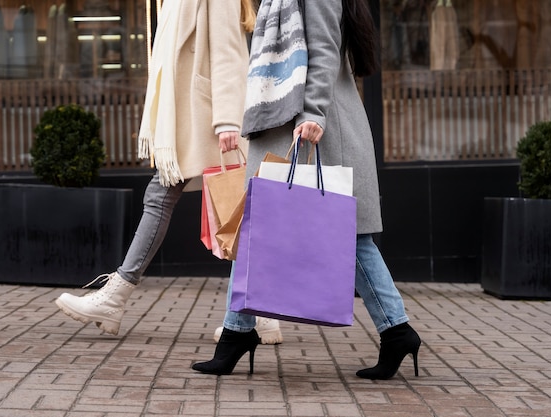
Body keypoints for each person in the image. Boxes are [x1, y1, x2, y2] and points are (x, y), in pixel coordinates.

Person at [192, 0, 422, 380]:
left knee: (349, 237)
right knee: (257, 232)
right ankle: (237, 334)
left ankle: (397, 330)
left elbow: (325, 48)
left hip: (314, 128)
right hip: (286, 125)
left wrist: (313, 112)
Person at [54, 0, 283, 343]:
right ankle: (260, 314)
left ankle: (116, 297)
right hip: (189, 117)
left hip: (206, 118)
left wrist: (227, 121)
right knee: (212, 206)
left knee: (173, 199)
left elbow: (229, 53)